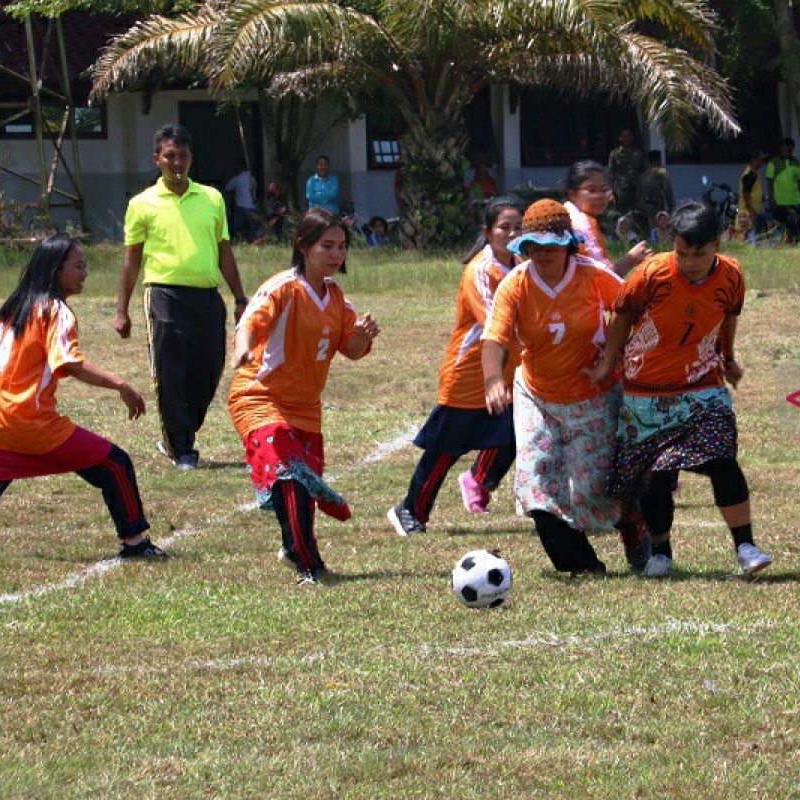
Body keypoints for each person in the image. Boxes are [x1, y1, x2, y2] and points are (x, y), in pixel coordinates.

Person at [589, 200, 773, 578]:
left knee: (722, 459)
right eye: (683, 252)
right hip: (646, 393)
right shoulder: (651, 274)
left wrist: (728, 357)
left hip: (702, 386)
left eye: (699, 254)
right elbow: (621, 314)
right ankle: (661, 554)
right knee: (657, 475)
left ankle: (745, 546)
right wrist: (609, 360)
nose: (690, 261)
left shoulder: (732, 276)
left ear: (718, 245)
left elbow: (728, 316)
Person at [482, 199, 650, 576]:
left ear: (568, 244)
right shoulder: (516, 284)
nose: (542, 255)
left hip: (593, 395)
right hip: (537, 395)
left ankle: (632, 521)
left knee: (588, 492)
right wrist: (494, 380)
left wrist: (609, 357)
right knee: (535, 485)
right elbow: (495, 339)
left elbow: (633, 313)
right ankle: (580, 564)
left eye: (551, 246)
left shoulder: (594, 276)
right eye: (533, 247)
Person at [228, 209, 380, 585]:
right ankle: (311, 565)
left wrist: (364, 335)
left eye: (342, 246)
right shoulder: (283, 287)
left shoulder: (337, 298)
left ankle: (291, 547)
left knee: (300, 485)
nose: (336, 254)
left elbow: (353, 349)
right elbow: (249, 322)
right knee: (290, 473)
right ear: (303, 246)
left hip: (305, 407)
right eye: (327, 245)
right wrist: (242, 349)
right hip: (259, 395)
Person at [0, 234, 163, 559]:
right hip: (34, 426)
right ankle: (135, 544)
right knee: (115, 464)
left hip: (0, 424)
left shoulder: (10, 309)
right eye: (79, 266)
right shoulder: (55, 310)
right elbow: (68, 363)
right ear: (56, 269)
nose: (85, 273)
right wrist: (120, 384)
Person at [387, 197, 525, 535]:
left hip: (508, 374)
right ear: (487, 232)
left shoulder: (525, 264)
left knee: (514, 435)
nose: (511, 234)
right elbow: (497, 322)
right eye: (504, 227)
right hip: (469, 375)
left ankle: (478, 481)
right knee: (444, 450)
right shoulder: (479, 270)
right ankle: (410, 510)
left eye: (518, 227)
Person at [119, 123, 248, 470]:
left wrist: (239, 296)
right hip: (163, 296)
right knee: (171, 373)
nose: (177, 162)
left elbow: (224, 251)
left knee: (209, 370)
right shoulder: (142, 204)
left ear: (192, 158)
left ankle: (178, 433)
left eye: (183, 155)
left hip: (207, 297)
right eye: (169, 156)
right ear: (157, 158)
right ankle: (182, 447)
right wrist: (122, 309)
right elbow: (131, 261)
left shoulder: (212, 198)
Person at [563, 160, 651, 276]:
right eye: (592, 190)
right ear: (573, 194)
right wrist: (631, 259)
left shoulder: (568, 216)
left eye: (604, 190)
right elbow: (604, 276)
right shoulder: (581, 224)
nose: (600, 196)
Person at [766, 138, 800, 242]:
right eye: (786, 149)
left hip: (795, 201)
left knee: (795, 225)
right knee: (779, 226)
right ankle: (781, 244)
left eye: (790, 149)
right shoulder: (773, 162)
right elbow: (769, 182)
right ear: (781, 148)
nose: (788, 151)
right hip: (779, 201)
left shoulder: (797, 163)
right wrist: (771, 198)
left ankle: (796, 243)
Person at [607, 129, 647, 217]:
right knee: (621, 213)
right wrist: (611, 190)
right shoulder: (615, 153)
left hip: (636, 187)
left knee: (637, 212)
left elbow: (644, 171)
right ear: (620, 138)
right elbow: (611, 173)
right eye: (624, 136)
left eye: (629, 136)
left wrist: (645, 187)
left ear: (632, 138)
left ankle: (637, 230)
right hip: (621, 189)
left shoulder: (639, 153)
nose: (627, 138)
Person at [637, 150, 675, 234]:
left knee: (648, 231)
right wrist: (671, 205)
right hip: (657, 205)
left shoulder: (642, 175)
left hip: (644, 207)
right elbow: (667, 189)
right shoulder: (661, 172)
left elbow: (638, 195)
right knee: (659, 229)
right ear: (658, 159)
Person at [223, 159, 259, 242]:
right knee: (252, 227)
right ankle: (254, 240)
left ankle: (233, 239)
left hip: (240, 207)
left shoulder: (237, 179)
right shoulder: (252, 179)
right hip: (252, 207)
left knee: (234, 226)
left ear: (239, 167)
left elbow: (227, 188)